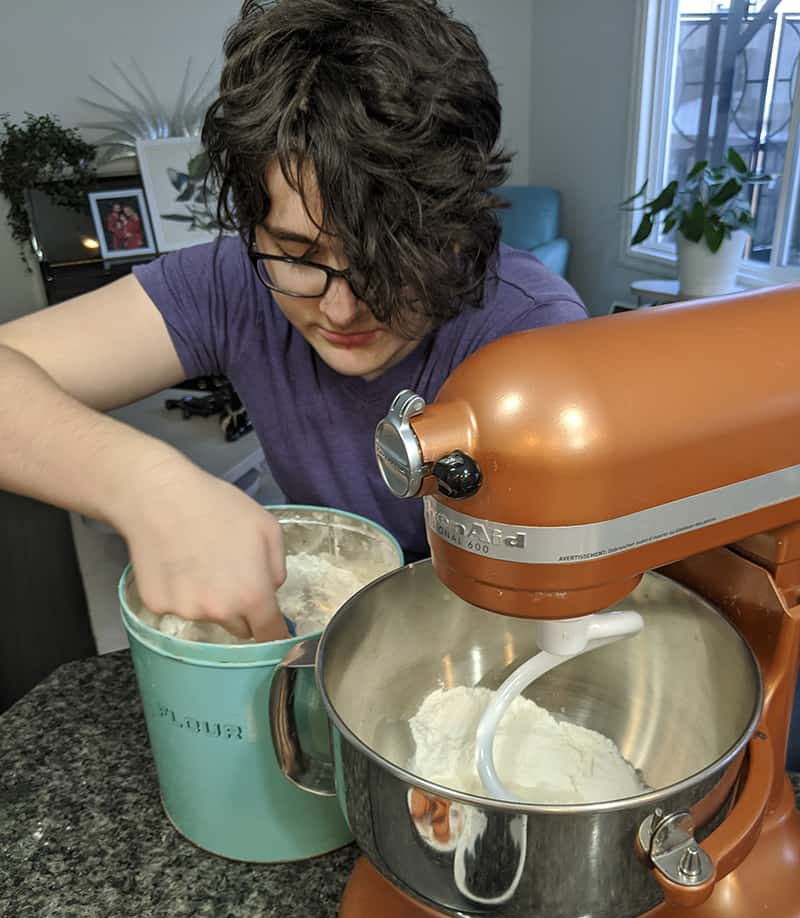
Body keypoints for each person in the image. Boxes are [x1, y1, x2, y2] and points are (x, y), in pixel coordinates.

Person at [0, 0, 585, 644]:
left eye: (387, 260)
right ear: (252, 224)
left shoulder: (535, 340)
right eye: (300, 256)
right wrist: (144, 483)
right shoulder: (233, 281)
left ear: (459, 230)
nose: (340, 310)